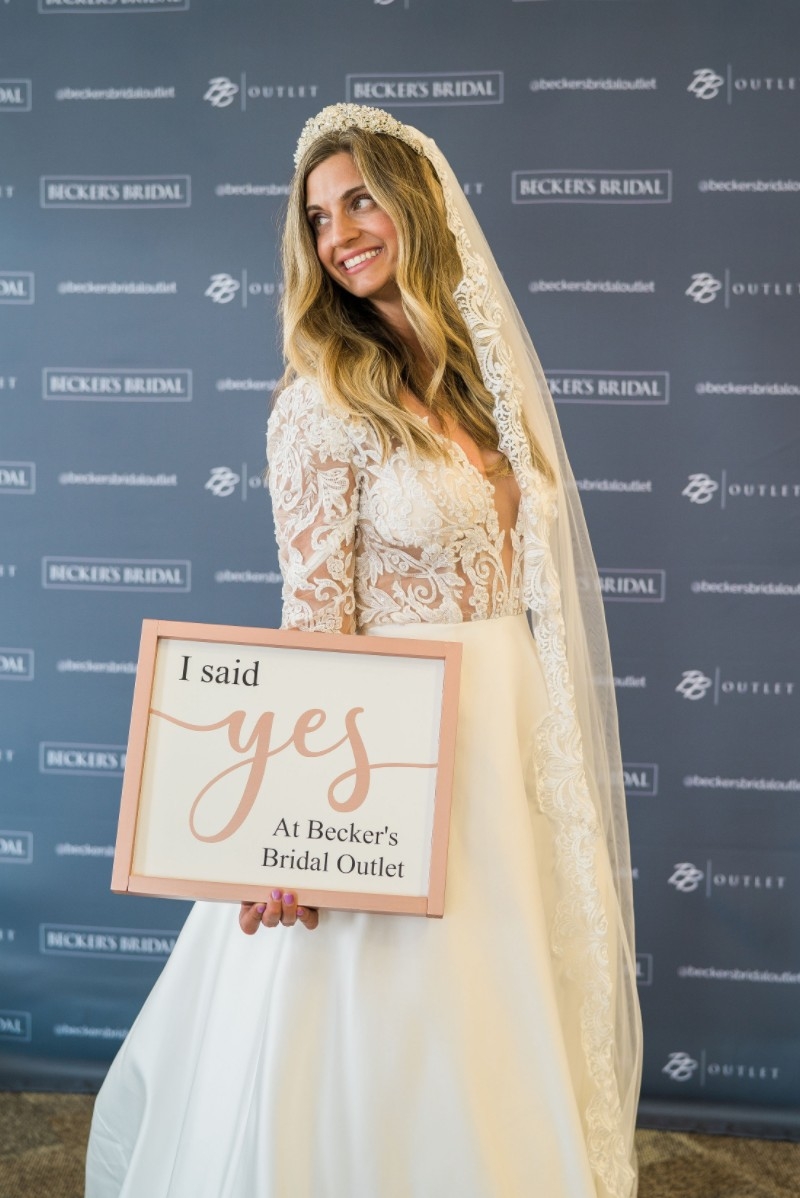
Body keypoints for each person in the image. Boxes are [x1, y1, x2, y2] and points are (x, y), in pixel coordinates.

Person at [86, 104, 642, 1198]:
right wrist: (292, 842)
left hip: (502, 740)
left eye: (358, 201)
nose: (338, 232)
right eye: (316, 217)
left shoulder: (484, 389)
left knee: (495, 1008)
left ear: (416, 206)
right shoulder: (318, 405)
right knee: (366, 1017)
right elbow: (313, 621)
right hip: (383, 747)